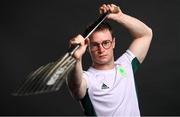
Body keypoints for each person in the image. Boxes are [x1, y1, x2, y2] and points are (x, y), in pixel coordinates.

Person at [67, 3, 153, 116]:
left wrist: (120, 17)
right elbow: (75, 86)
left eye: (106, 43)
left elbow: (146, 34)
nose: (101, 49)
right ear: (88, 48)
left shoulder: (126, 65)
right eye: (95, 45)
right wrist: (76, 60)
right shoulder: (87, 79)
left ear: (113, 43)